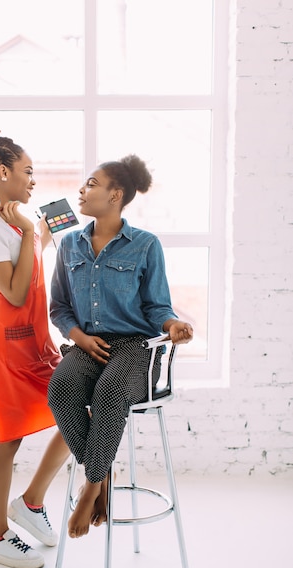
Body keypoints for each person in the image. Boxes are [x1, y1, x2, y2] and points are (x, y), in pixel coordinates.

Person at [48, 154, 194, 539]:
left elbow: (157, 305)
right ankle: (103, 469)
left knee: (110, 393)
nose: (82, 190)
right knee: (61, 389)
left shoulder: (145, 245)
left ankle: (92, 486)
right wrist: (78, 337)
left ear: (115, 195)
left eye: (92, 184)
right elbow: (59, 307)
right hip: (87, 345)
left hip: (136, 346)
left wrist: (173, 324)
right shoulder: (69, 246)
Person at [0, 126, 70, 568]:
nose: (33, 181)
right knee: (8, 438)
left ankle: (32, 502)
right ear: (3, 172)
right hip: (3, 344)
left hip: (34, 341)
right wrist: (28, 230)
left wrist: (50, 224)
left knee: (78, 409)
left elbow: (40, 246)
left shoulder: (15, 222)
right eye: (27, 172)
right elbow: (19, 292)